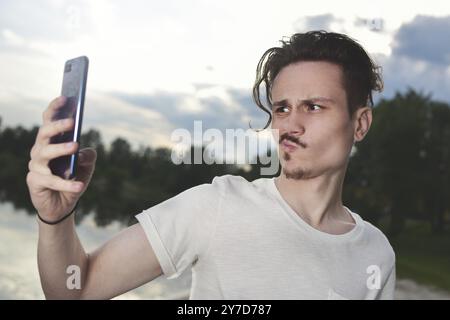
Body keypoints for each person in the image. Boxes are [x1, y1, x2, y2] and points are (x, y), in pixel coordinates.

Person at [26, 30, 395, 300]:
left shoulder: (376, 254)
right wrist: (54, 218)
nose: (290, 124)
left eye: (313, 107)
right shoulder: (218, 205)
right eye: (282, 108)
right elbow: (74, 291)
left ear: (359, 124)